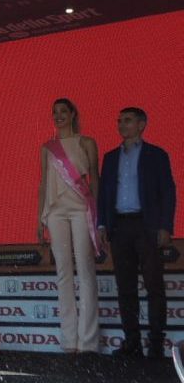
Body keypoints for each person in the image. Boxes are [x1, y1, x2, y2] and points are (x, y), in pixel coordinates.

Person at [97, 107, 176, 359]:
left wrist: (165, 226)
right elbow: (104, 195)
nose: (121, 124)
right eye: (119, 120)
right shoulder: (110, 158)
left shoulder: (156, 155)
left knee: (154, 286)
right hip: (120, 227)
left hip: (147, 225)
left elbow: (168, 192)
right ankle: (131, 341)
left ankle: (155, 343)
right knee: (126, 287)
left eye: (128, 120)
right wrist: (102, 224)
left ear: (142, 124)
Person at [36, 98, 100, 354]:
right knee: (63, 272)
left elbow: (94, 177)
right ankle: (69, 340)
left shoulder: (87, 142)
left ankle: (89, 341)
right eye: (55, 112)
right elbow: (43, 184)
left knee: (85, 270)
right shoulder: (47, 147)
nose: (59, 116)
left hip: (81, 209)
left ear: (73, 114)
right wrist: (39, 220)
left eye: (63, 111)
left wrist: (97, 215)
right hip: (55, 212)